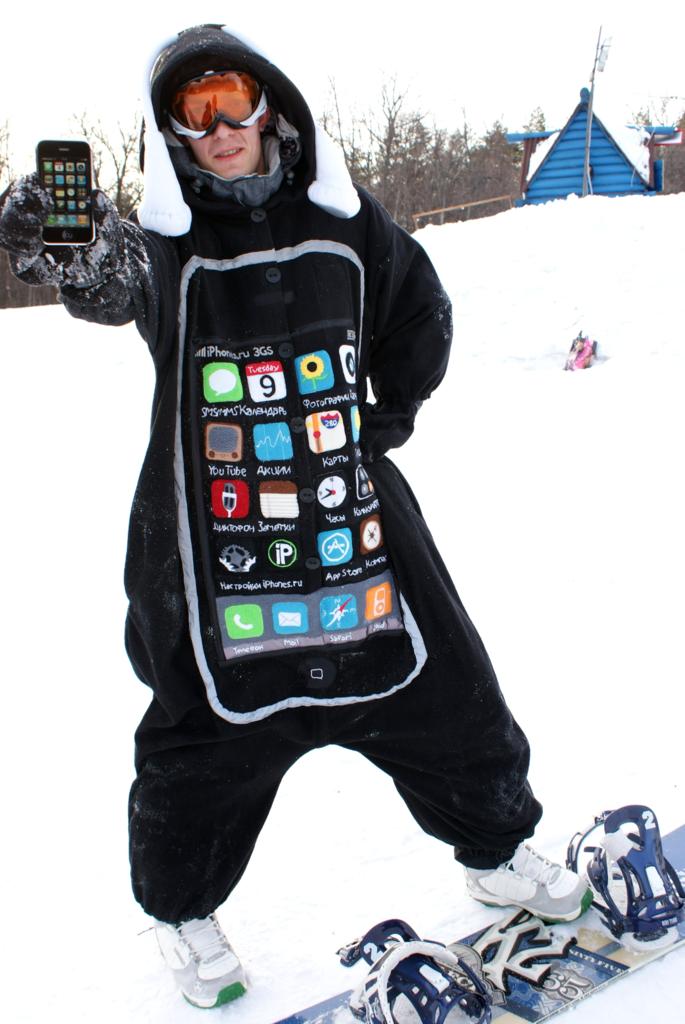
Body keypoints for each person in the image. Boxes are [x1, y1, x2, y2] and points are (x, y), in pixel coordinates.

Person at [0, 24, 589, 1011]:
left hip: (355, 536)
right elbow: (109, 282)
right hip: (213, 547)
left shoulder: (346, 224)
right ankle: (182, 914)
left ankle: (496, 853)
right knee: (200, 744)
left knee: (449, 696)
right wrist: (72, 241)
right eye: (194, 111)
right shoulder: (165, 246)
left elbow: (419, 311)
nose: (220, 126)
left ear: (268, 102)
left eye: (232, 97)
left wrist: (383, 418)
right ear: (172, 133)